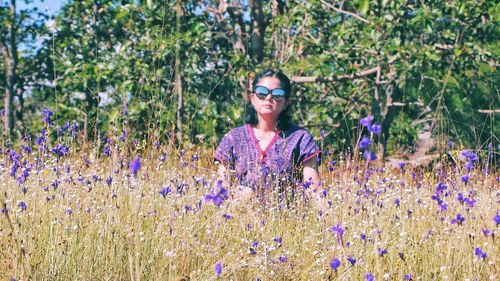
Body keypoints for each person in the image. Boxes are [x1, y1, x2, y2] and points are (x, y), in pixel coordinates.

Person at [214, 69, 326, 208]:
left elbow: (313, 190)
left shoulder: (301, 138)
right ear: (252, 98)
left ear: (286, 102)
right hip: (239, 217)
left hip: (285, 218)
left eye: (277, 94)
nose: (268, 98)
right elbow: (220, 189)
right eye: (262, 92)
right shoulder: (234, 138)